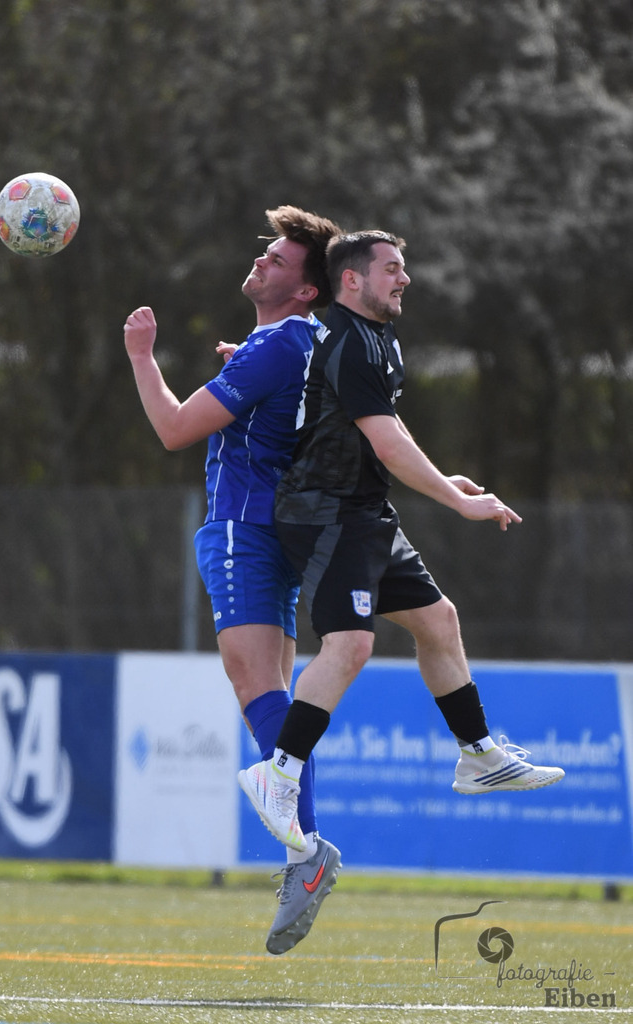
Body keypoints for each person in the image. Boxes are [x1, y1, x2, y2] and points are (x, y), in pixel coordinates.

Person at [239, 229, 565, 854]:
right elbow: (387, 443)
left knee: (439, 621)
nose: (405, 278)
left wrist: (443, 478)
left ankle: (478, 755)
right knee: (351, 643)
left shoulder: (378, 339)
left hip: (363, 513)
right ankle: (276, 773)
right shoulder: (349, 343)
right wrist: (458, 500)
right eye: (392, 268)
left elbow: (388, 431)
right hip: (323, 514)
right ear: (353, 280)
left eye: (403, 267)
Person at [123, 207, 343, 955]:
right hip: (285, 531)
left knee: (256, 689)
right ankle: (300, 855)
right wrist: (246, 358)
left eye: (279, 261)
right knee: (277, 698)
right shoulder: (310, 340)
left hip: (241, 530)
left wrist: (141, 355)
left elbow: (174, 429)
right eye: (266, 253)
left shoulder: (279, 342)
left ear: (307, 290)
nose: (262, 264)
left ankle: (307, 851)